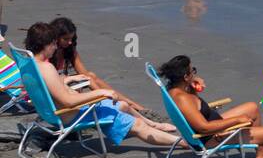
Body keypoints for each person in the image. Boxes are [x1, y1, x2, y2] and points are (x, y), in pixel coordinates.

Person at [26, 23, 175, 146]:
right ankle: (183, 143)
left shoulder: (30, 63)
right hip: (73, 116)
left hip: (53, 113)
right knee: (137, 125)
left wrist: (65, 80)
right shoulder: (46, 67)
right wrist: (101, 93)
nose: (55, 47)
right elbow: (67, 101)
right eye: (53, 44)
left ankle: (153, 124)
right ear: (44, 44)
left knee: (123, 106)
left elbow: (49, 87)